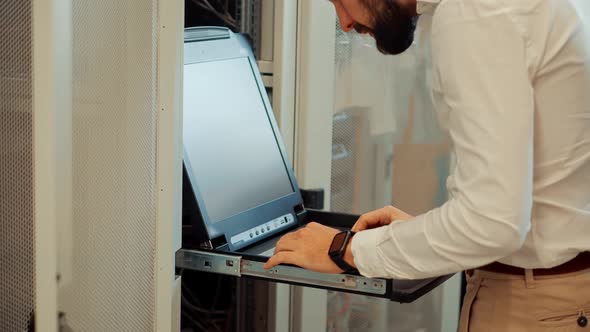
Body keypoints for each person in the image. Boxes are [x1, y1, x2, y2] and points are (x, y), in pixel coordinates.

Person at [264, 0, 590, 330]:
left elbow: (492, 224)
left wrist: (346, 250)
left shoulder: (475, 12)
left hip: (538, 308)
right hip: (558, 295)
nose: (344, 22)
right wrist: (420, 235)